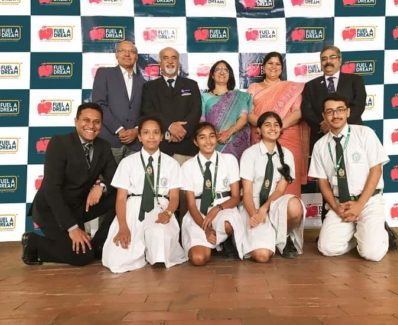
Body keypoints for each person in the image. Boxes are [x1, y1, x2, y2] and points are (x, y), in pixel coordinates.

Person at [22, 103, 117, 266]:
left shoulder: (103, 146)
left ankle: (99, 245)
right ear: (76, 121)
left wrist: (101, 186)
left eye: (96, 122)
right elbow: (52, 190)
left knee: (122, 196)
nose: (91, 126)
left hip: (79, 206)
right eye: (86, 120)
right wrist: (72, 228)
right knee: (82, 257)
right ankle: (33, 243)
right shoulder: (59, 143)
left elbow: (116, 176)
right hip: (52, 211)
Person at [308, 93, 391, 261]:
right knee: (327, 248)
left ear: (348, 112)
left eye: (340, 110)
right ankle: (358, 234)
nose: (335, 115)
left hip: (368, 201)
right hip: (341, 204)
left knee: (372, 254)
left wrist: (360, 205)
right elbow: (323, 182)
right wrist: (336, 207)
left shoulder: (365, 134)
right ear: (324, 116)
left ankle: (380, 234)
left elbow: (376, 171)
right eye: (329, 111)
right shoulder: (320, 146)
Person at [102, 116, 187, 273]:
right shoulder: (127, 162)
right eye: (146, 132)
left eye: (156, 132)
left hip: (160, 210)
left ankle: (152, 253)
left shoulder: (171, 163)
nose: (151, 136)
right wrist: (123, 227)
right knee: (116, 261)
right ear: (139, 137)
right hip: (133, 211)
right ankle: (140, 252)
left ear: (162, 136)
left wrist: (168, 213)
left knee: (160, 250)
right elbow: (121, 198)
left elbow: (174, 197)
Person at [240, 112, 305, 263]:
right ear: (259, 130)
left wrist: (265, 209)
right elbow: (247, 192)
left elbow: (280, 190)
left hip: (274, 203)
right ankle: (267, 238)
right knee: (261, 256)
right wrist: (254, 215)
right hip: (252, 205)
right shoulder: (249, 154)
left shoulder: (287, 155)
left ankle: (285, 237)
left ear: (281, 130)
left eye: (276, 125)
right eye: (267, 125)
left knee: (295, 206)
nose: (272, 128)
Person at [181, 122, 245, 266]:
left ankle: (226, 239)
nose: (208, 141)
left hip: (224, 206)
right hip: (198, 212)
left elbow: (235, 197)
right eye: (202, 138)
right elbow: (191, 204)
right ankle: (215, 243)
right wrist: (206, 229)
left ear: (217, 138)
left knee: (228, 223)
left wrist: (217, 209)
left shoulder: (229, 160)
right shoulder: (187, 166)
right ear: (195, 142)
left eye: (212, 136)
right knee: (198, 259)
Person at [248, 52, 309, 198]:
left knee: (288, 184)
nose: (274, 67)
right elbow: (249, 114)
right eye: (270, 63)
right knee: (263, 182)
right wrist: (266, 129)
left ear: (282, 68)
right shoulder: (254, 88)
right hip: (261, 138)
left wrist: (277, 128)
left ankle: (290, 216)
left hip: (288, 136)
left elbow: (297, 113)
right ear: (263, 67)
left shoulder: (292, 88)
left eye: (277, 64)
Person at [141, 47, 201, 165]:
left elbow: (196, 111)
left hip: (186, 147)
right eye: (165, 58)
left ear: (178, 62)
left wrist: (182, 131)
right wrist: (169, 126)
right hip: (161, 147)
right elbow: (148, 111)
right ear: (160, 63)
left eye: (174, 58)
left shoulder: (192, 85)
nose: (170, 61)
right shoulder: (149, 87)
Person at [301, 45, 366, 153]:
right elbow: (307, 111)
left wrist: (337, 124)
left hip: (352, 134)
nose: (328, 61)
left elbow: (359, 105)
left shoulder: (355, 80)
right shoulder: (311, 85)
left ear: (340, 60)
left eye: (332, 57)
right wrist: (324, 125)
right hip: (323, 137)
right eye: (324, 59)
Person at [92, 40, 145, 163]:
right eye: (122, 51)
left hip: (135, 145)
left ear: (136, 57)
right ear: (116, 55)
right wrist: (119, 129)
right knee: (108, 181)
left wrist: (136, 130)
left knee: (133, 181)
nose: (127, 54)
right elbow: (99, 104)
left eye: (131, 52)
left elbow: (146, 110)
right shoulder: (104, 73)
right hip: (110, 141)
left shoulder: (143, 82)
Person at [201, 60, 252, 161]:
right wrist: (214, 135)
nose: (222, 72)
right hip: (211, 143)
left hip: (235, 145)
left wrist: (228, 133)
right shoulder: (204, 97)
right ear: (212, 75)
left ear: (230, 75)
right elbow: (202, 120)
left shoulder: (240, 96)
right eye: (218, 69)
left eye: (226, 70)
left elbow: (243, 118)